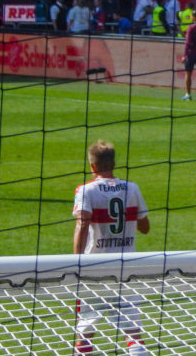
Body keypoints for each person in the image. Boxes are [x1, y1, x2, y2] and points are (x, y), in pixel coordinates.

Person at [72, 139, 150, 356]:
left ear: (92, 166)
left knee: (85, 332)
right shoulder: (132, 188)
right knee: (133, 333)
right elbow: (145, 228)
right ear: (113, 163)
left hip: (94, 268)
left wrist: (76, 261)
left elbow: (83, 224)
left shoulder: (85, 190)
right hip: (127, 268)